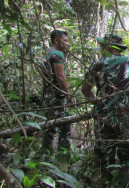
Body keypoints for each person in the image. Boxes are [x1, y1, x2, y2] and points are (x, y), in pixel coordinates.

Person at [81, 33, 129, 186]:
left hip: (102, 116)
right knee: (127, 154)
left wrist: (98, 104)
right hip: (126, 116)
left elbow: (85, 90)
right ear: (119, 48)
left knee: (104, 154)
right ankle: (123, 185)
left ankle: (105, 183)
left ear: (106, 46)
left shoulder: (97, 64)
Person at [41, 30, 72, 170]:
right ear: (56, 41)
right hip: (56, 98)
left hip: (47, 97)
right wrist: (68, 95)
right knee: (65, 129)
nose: (67, 43)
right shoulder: (57, 54)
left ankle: (44, 161)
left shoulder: (47, 55)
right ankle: (63, 165)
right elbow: (60, 78)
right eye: (64, 40)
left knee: (49, 129)